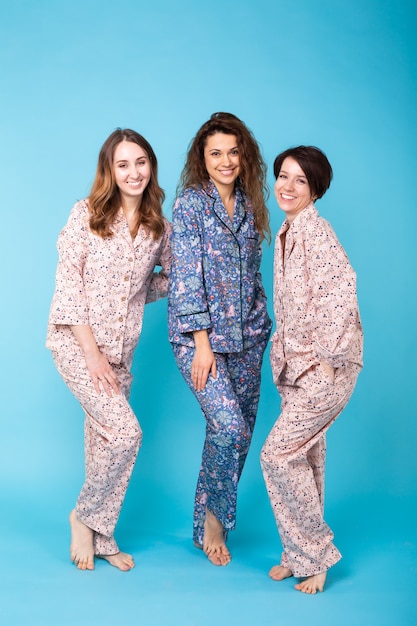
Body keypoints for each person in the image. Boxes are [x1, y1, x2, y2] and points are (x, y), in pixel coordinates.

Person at [46, 128, 171, 571]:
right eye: (123, 164)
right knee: (126, 433)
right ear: (110, 170)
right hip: (78, 345)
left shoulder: (159, 227)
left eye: (140, 162)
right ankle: (82, 517)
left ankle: (102, 537)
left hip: (122, 350)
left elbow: (168, 280)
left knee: (104, 443)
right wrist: (93, 354)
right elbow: (69, 288)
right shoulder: (86, 215)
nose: (133, 172)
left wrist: (142, 291)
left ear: (150, 166)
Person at [168, 112, 272, 566]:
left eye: (233, 151)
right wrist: (203, 343)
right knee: (227, 426)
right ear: (202, 159)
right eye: (216, 153)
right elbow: (187, 278)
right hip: (201, 340)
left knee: (238, 434)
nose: (226, 161)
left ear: (243, 154)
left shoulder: (251, 204)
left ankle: (209, 520)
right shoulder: (190, 205)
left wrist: (263, 325)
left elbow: (253, 275)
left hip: (248, 337)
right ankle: (215, 521)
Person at [260, 146, 363, 593]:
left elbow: (342, 294)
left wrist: (327, 358)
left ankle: (316, 553)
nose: (287, 186)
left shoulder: (316, 232)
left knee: (277, 455)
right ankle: (297, 553)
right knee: (305, 456)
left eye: (300, 180)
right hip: (297, 368)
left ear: (315, 189)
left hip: (325, 370)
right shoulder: (288, 229)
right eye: (283, 176)